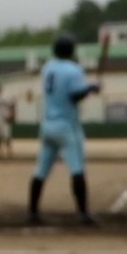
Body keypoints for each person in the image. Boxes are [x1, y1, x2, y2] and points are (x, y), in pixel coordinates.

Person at [27, 33, 101, 227]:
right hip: (66, 125)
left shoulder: (48, 67)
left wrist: (89, 87)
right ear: (71, 50)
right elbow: (74, 96)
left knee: (41, 170)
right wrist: (91, 88)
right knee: (77, 168)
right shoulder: (73, 69)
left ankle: (32, 212)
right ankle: (83, 214)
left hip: (47, 124)